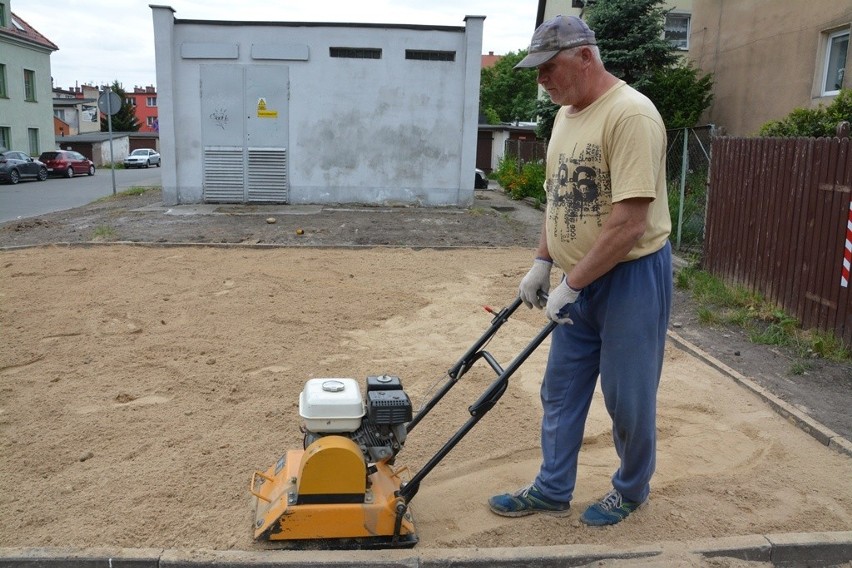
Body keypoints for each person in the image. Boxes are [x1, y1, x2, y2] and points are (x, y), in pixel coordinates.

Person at [488, 14, 672, 526]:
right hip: (576, 282)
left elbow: (630, 222)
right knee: (561, 389)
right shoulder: (565, 117)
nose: (542, 80)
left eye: (550, 68)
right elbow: (557, 198)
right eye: (537, 70)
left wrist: (572, 282)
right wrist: (542, 262)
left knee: (627, 395)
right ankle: (551, 488)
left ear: (586, 57)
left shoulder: (631, 115)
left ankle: (631, 488)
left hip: (630, 280)